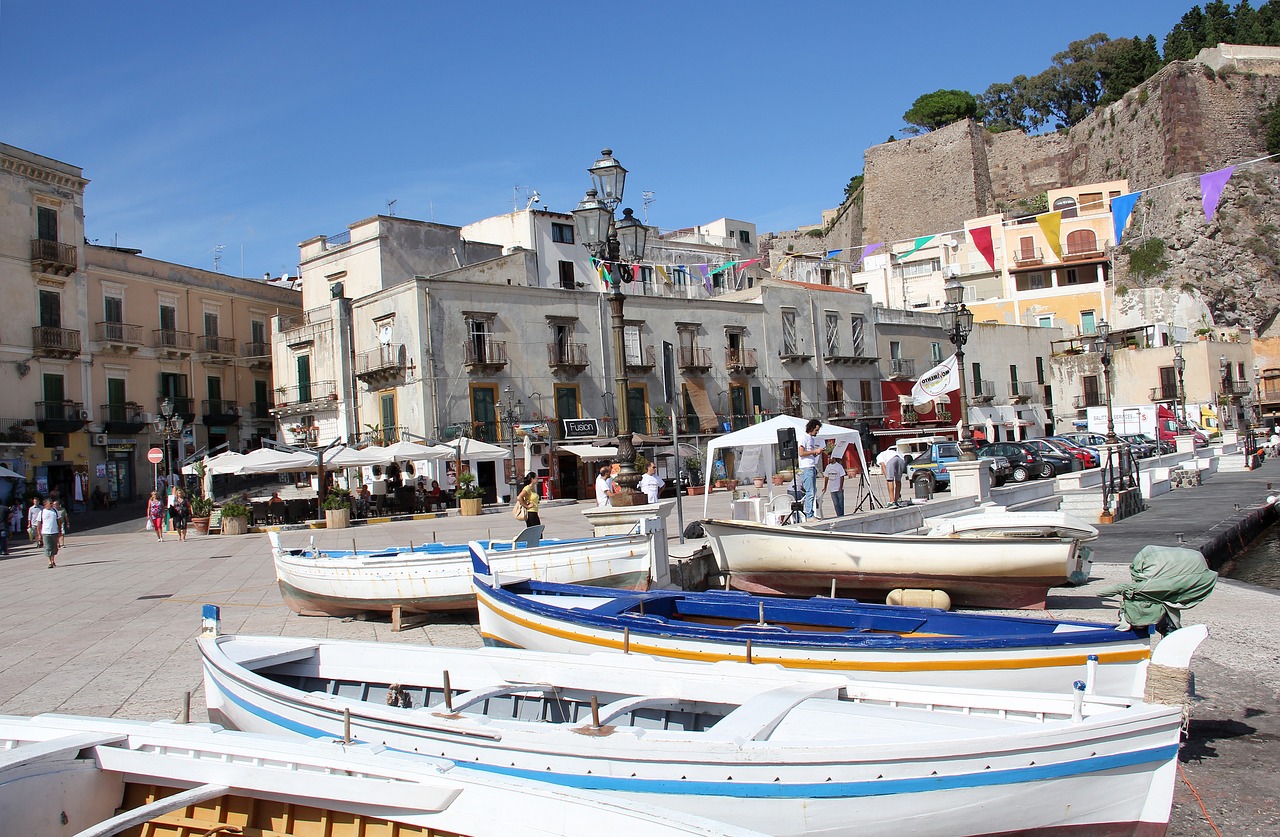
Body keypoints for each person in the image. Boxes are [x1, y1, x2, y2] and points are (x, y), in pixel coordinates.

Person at [797, 418, 825, 520]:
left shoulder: (812, 439)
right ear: (811, 428)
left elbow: (809, 453)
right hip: (806, 467)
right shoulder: (803, 437)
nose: (817, 432)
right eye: (816, 430)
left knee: (813, 491)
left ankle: (811, 513)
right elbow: (801, 453)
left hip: (811, 466)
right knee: (810, 491)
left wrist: (816, 452)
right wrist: (814, 451)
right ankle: (809, 515)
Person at [39, 498, 60, 568]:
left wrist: (59, 530)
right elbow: (39, 523)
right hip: (45, 532)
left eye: (52, 503)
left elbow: (59, 521)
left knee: (54, 547)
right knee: (48, 547)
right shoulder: (42, 512)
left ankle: (53, 559)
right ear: (45, 504)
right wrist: (39, 534)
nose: (51, 505)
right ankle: (49, 562)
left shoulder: (55, 511)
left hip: (54, 532)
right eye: (50, 503)